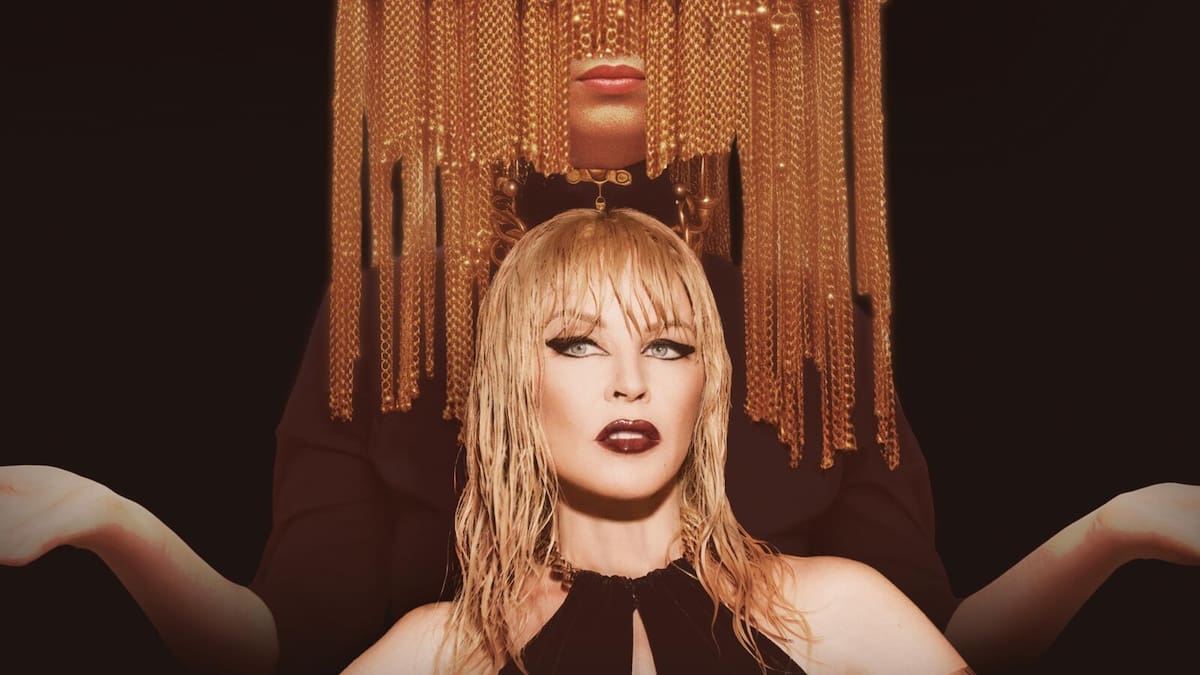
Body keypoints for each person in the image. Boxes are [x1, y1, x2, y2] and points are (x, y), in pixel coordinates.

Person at [2, 2, 1197, 674]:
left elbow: (923, 637)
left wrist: (1112, 532)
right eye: (573, 344)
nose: (610, 17)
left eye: (671, 347)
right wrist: (114, 526)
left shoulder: (815, 333)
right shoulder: (388, 329)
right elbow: (287, 643)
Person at [342, 207, 970, 674]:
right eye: (578, 344)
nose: (631, 382)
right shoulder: (440, 654)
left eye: (666, 347)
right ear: (514, 384)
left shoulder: (837, 610)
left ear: (706, 382)